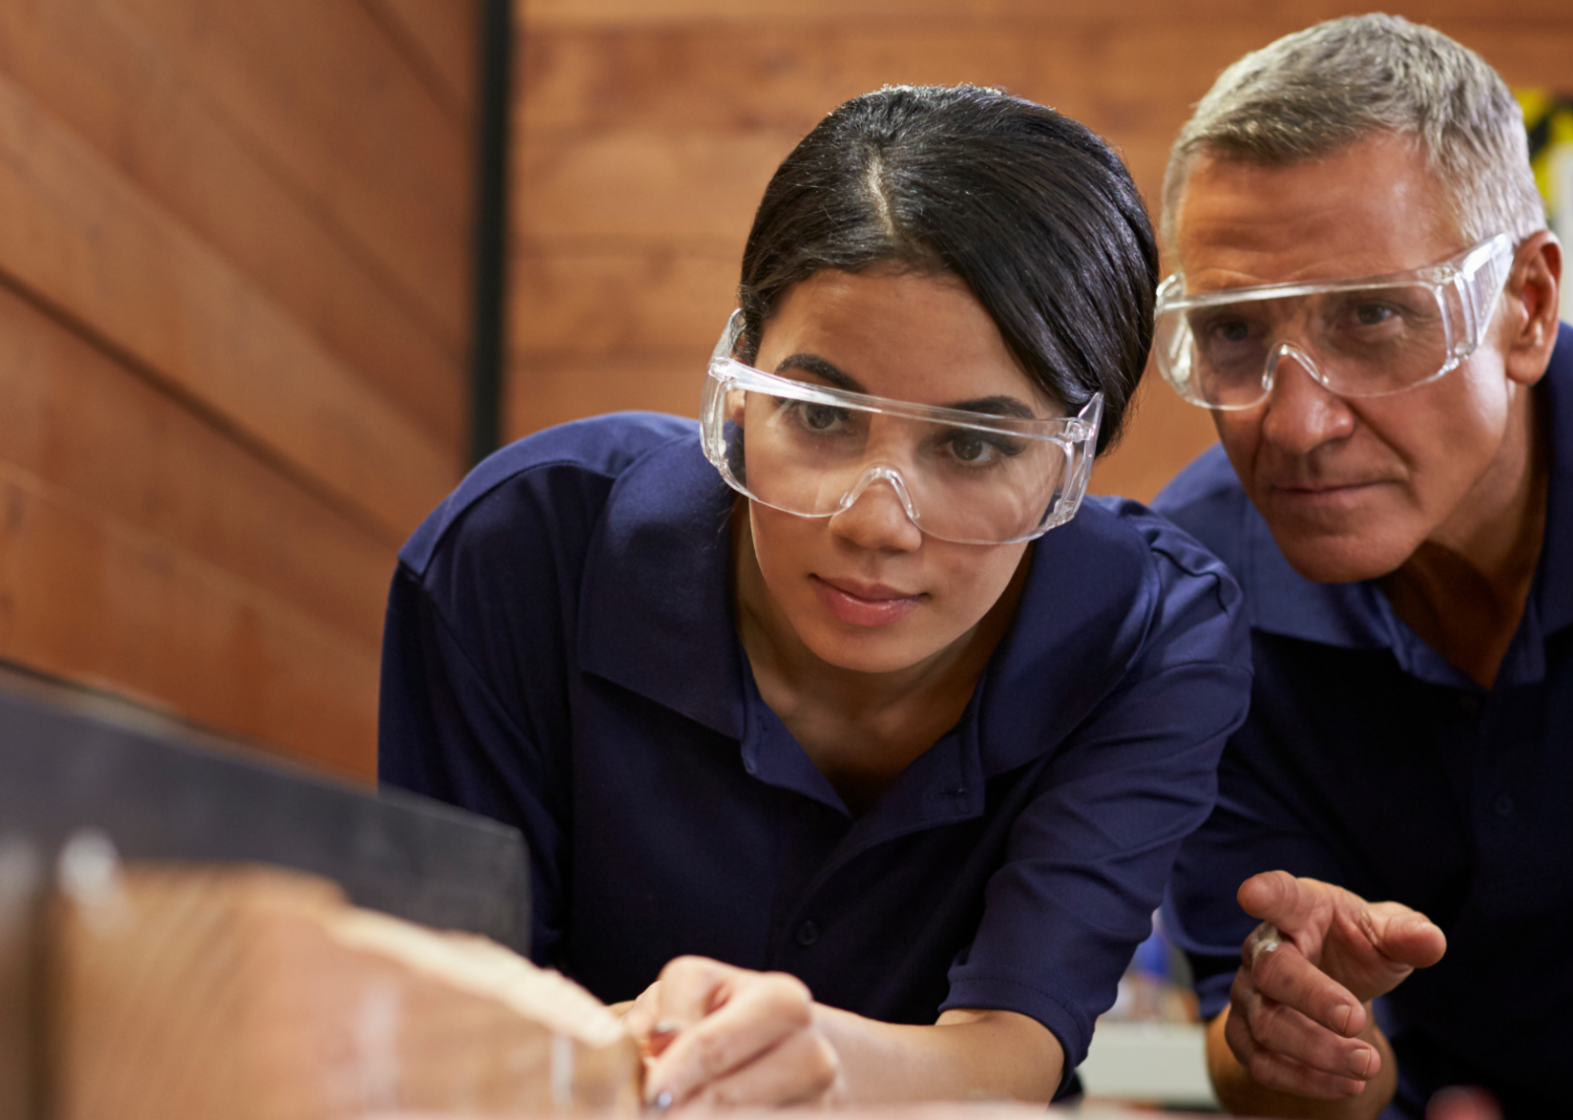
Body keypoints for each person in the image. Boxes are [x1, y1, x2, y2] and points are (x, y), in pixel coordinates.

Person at [380, 85, 1251, 1108]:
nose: (876, 522)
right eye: (824, 419)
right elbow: (444, 1026)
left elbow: (1013, 1047)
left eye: (972, 446)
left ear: (1079, 462)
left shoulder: (1154, 634)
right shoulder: (519, 554)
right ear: (742, 379)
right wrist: (645, 1048)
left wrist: (805, 1062)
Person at [1150, 15, 1573, 1120]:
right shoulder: (1195, 597)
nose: (1294, 424)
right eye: (1236, 334)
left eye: (1376, 314)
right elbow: (1260, 1052)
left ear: (1526, 308)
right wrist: (1314, 1048)